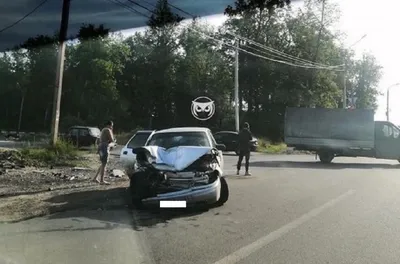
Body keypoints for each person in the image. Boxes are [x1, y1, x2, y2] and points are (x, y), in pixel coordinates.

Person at [92, 120, 115, 184]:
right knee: (104, 164)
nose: (112, 127)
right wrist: (113, 141)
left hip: (100, 147)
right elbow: (111, 140)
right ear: (109, 125)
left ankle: (95, 178)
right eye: (112, 126)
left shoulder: (103, 130)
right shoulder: (107, 130)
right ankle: (102, 180)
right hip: (104, 147)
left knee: (103, 163)